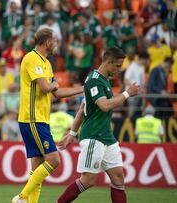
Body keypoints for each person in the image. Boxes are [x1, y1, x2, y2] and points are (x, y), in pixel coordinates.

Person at [57, 47, 140, 203]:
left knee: (118, 178)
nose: (120, 70)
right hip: (94, 136)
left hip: (106, 136)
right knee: (88, 180)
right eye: (117, 66)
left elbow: (83, 108)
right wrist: (127, 93)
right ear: (108, 62)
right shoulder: (95, 79)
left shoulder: (103, 80)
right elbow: (104, 105)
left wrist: (72, 134)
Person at [12, 28, 83, 203]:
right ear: (47, 42)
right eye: (55, 41)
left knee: (37, 168)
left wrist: (82, 89)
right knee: (54, 160)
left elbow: (57, 93)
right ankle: (21, 198)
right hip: (32, 118)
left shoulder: (47, 63)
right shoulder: (31, 58)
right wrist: (54, 84)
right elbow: (46, 87)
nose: (57, 44)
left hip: (40, 119)